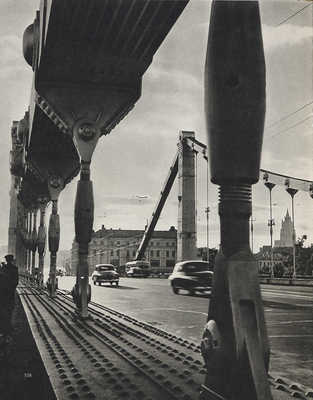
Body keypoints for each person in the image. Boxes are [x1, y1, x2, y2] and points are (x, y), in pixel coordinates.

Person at [0, 255, 19, 336]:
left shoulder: (3, 268)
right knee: (10, 309)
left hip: (3, 293)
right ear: (12, 260)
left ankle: (4, 328)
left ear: (7, 260)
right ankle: (8, 327)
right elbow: (16, 281)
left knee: (3, 310)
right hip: (10, 292)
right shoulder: (15, 269)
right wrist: (12, 288)